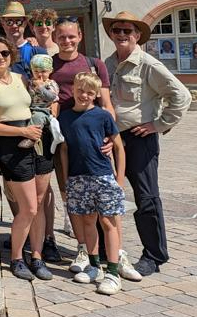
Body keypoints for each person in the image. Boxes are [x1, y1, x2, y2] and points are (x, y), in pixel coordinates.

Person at [103, 11, 191, 277]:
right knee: (108, 197)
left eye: (127, 31)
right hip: (114, 140)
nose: (121, 35)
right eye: (117, 30)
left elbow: (181, 96)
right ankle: (109, 252)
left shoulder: (148, 64)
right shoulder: (108, 63)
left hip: (140, 139)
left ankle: (154, 255)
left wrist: (159, 124)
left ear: (137, 35)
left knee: (146, 197)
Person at [0, 37, 53, 281]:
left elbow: (42, 102)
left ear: (12, 56)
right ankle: (17, 257)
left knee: (39, 203)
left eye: (5, 53)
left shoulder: (22, 79)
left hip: (39, 139)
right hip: (12, 142)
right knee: (27, 207)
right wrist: (22, 132)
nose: (0, 58)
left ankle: (37, 256)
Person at [51, 17, 118, 269]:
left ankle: (112, 250)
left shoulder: (94, 64)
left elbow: (107, 104)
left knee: (105, 197)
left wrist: (111, 137)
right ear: (55, 38)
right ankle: (83, 248)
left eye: (71, 36)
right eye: (61, 37)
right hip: (64, 137)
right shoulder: (51, 65)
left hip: (93, 138)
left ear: (80, 35)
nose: (66, 41)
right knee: (70, 192)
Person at [58, 72, 127, 295]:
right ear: (74, 89)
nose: (84, 95)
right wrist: (67, 180)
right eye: (80, 90)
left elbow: (118, 147)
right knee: (88, 221)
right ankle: (94, 266)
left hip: (103, 176)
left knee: (108, 222)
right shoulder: (65, 118)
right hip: (78, 178)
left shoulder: (103, 116)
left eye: (90, 92)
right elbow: (65, 150)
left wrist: (119, 180)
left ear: (97, 94)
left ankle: (114, 272)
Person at [0, 1, 46, 78]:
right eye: (9, 22)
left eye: (18, 22)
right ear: (3, 24)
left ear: (25, 23)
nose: (14, 26)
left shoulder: (37, 51)